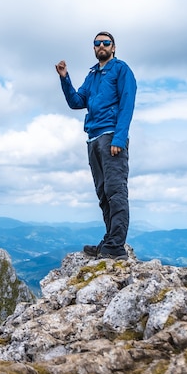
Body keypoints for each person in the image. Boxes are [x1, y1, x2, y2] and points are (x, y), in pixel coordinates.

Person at [55, 31, 137, 260]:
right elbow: (76, 102)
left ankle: (116, 247)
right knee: (103, 192)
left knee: (115, 190)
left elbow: (127, 104)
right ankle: (110, 238)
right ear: (93, 48)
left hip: (111, 136)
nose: (101, 45)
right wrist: (65, 78)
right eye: (97, 43)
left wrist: (119, 139)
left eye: (106, 42)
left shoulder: (121, 69)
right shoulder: (92, 75)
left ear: (113, 47)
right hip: (93, 139)